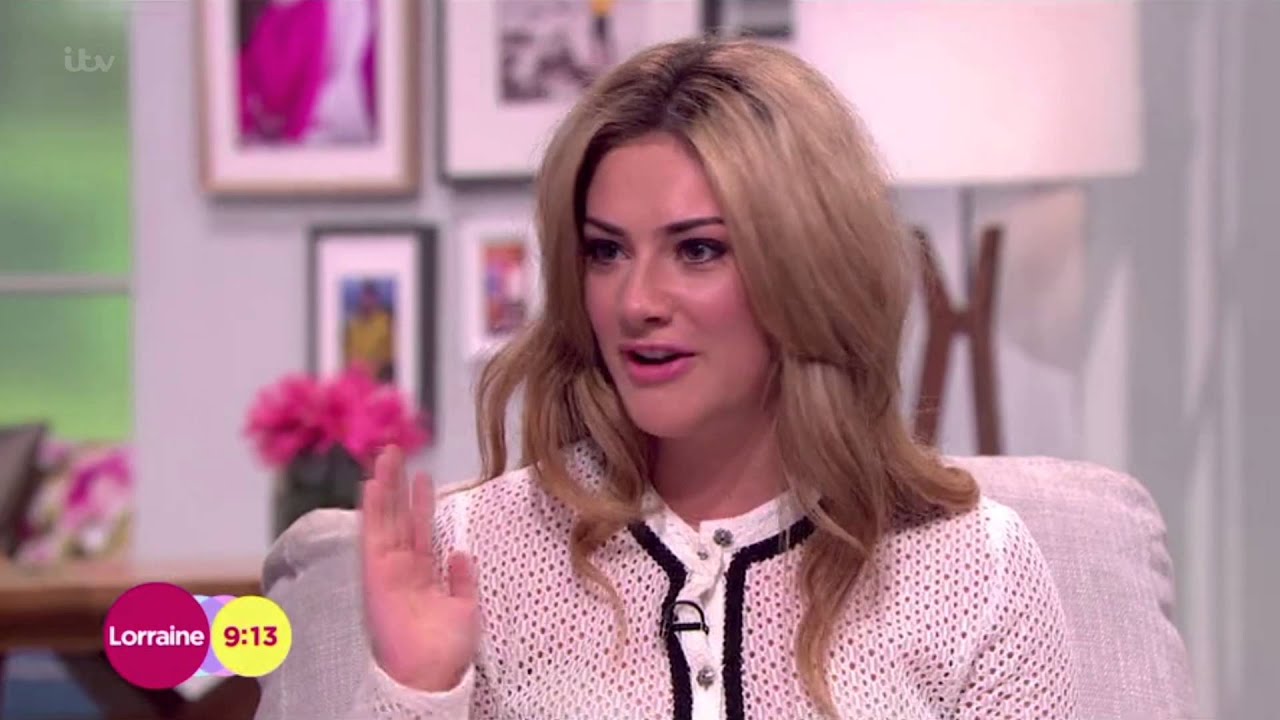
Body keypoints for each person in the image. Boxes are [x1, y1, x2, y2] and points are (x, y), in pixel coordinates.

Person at [256, 37, 1078, 719]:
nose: (636, 301)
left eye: (698, 249)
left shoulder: (975, 568)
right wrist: (417, 694)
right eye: (606, 251)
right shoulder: (475, 550)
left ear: (807, 267)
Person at [343, 280, 394, 383]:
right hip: (356, 379)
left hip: (382, 378)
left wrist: (375, 366)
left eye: (369, 297)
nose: (366, 301)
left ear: (376, 299)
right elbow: (347, 353)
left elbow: (392, 354)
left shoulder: (386, 322)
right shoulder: (353, 324)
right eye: (364, 297)